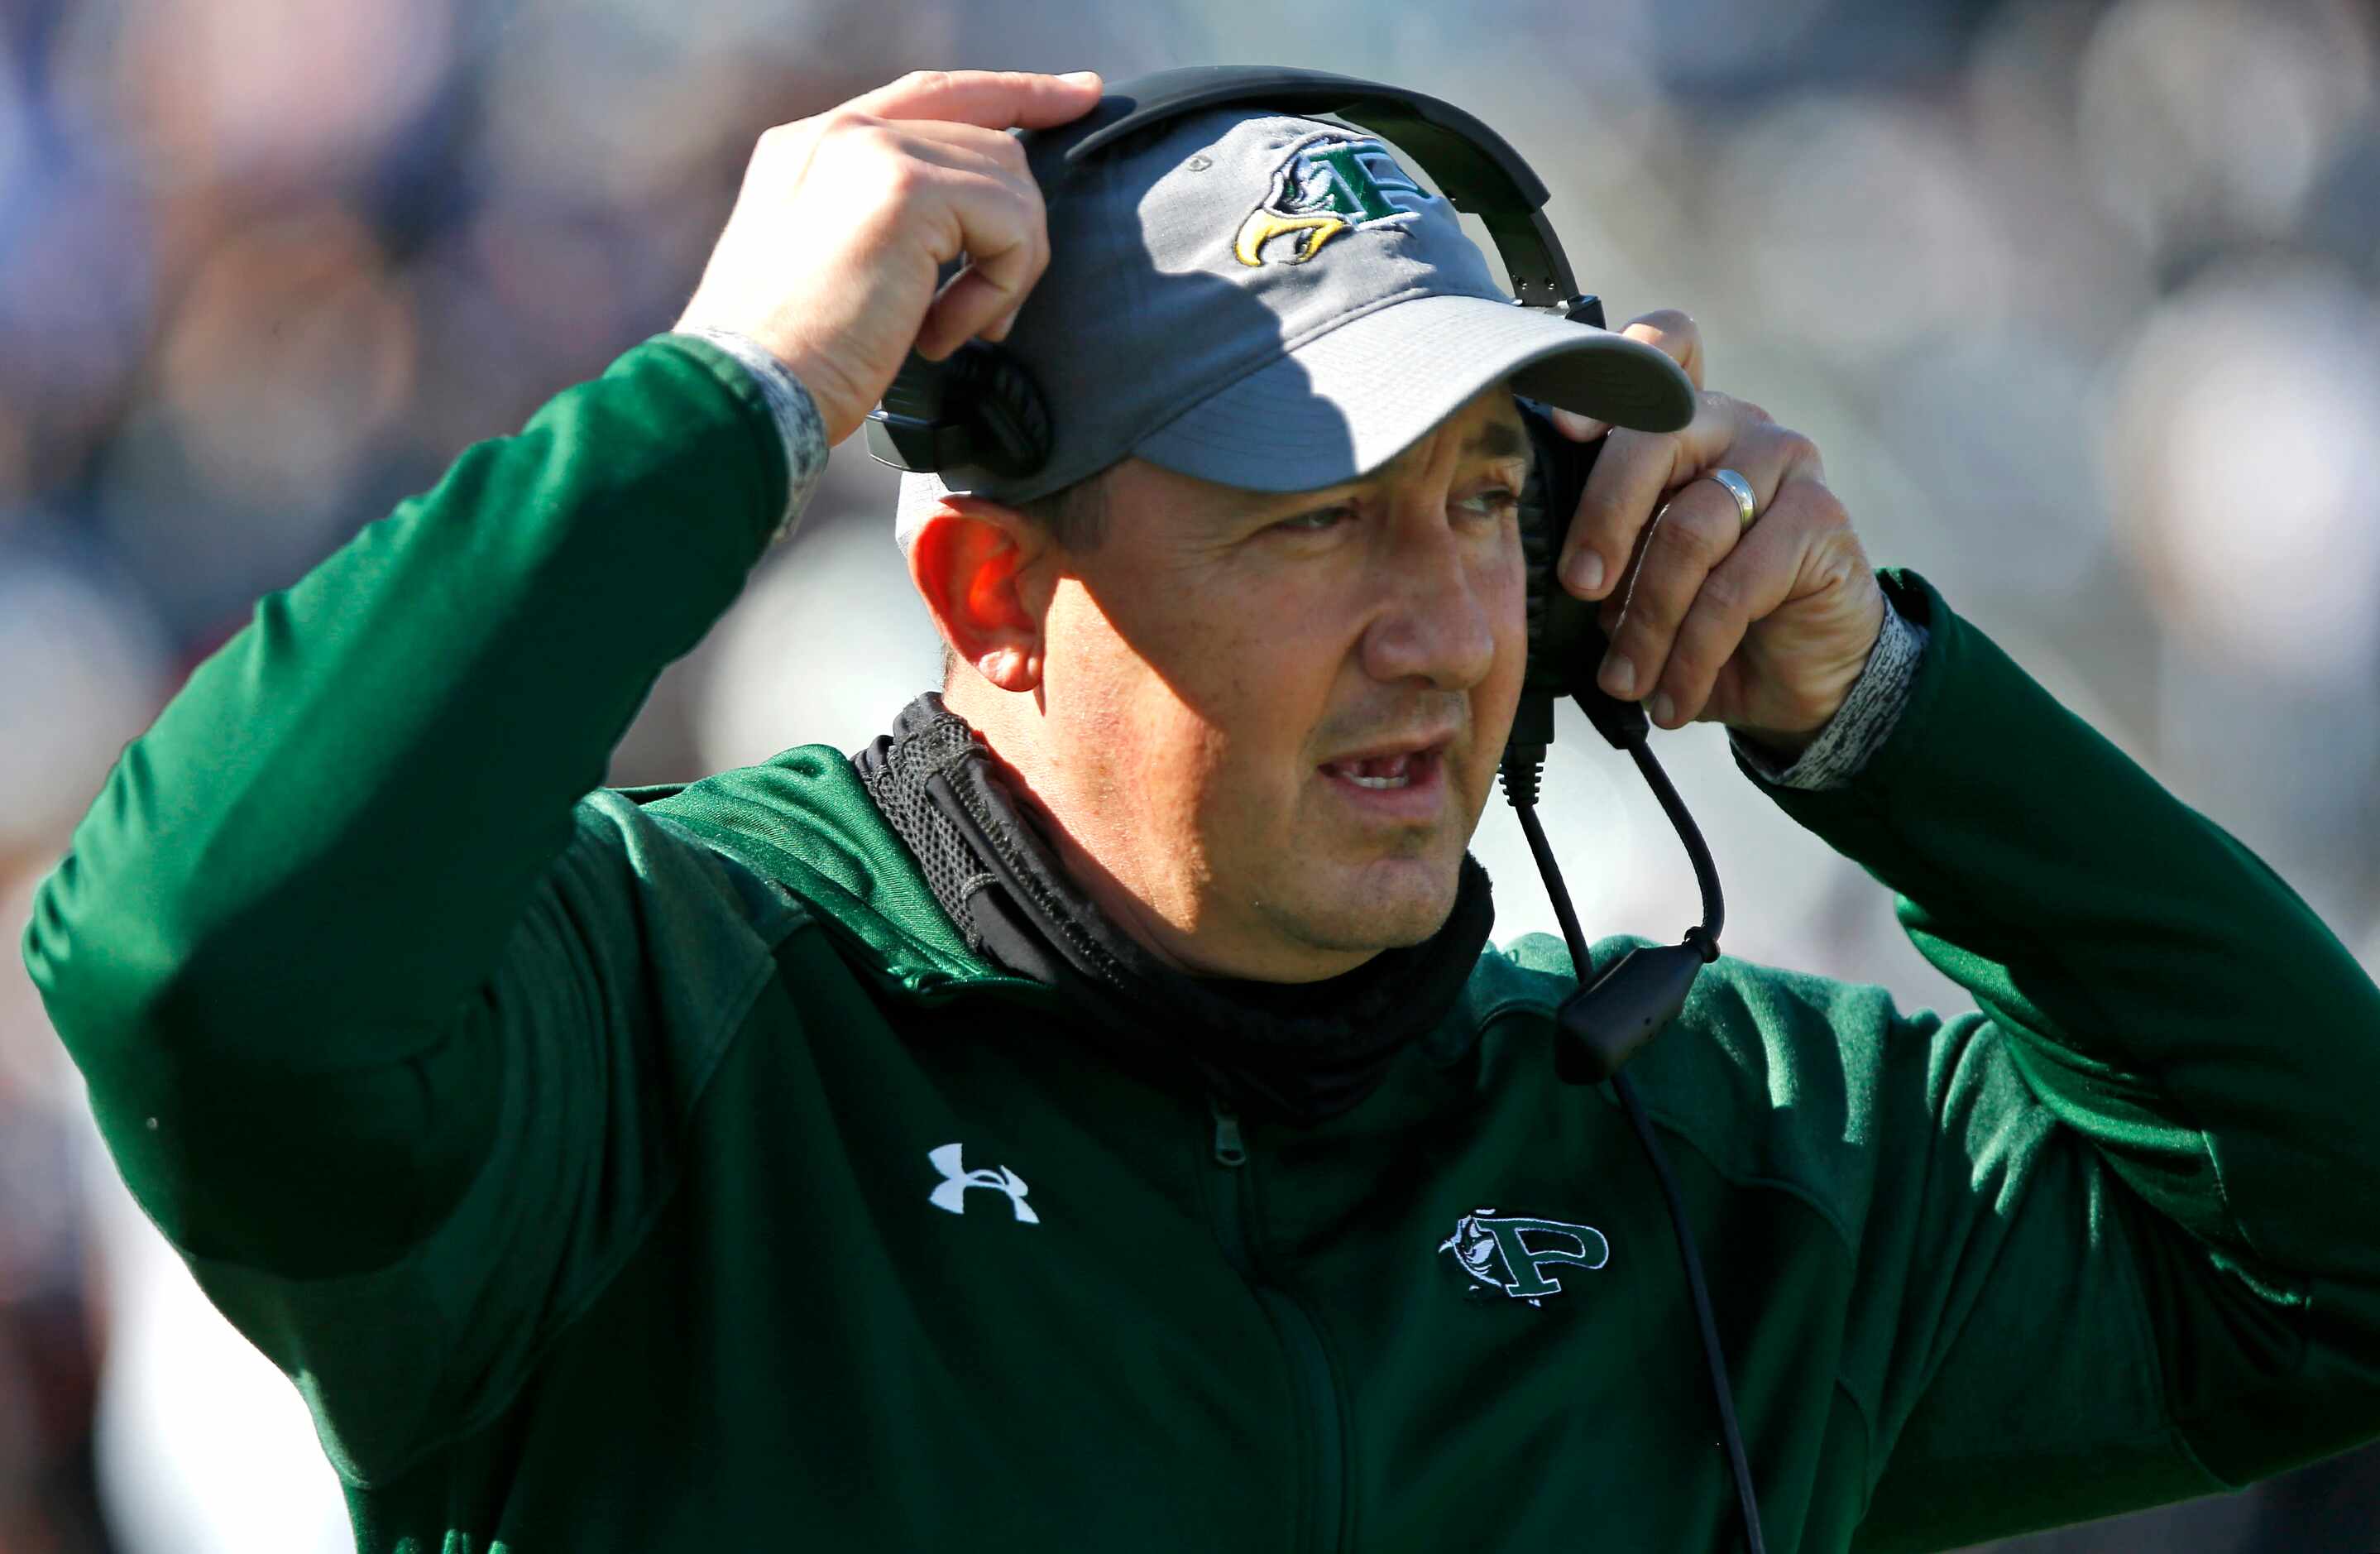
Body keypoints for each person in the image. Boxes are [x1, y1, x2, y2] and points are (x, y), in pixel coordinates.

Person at [20, 64, 2380, 1553]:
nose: (1445, 625)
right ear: (992, 598)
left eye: (1481, 505)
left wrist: (1887, 716)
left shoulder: (1725, 1138)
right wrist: (725, 400)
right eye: (1314, 516)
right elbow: (195, 964)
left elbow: (2347, 1264)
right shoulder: (660, 1027)